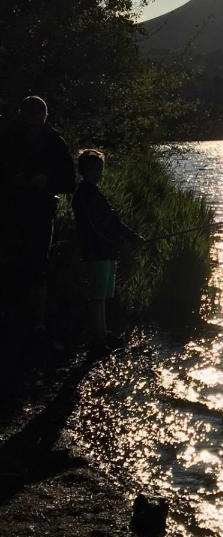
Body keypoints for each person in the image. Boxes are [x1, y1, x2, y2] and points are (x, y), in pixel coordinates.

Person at [0, 95, 76, 341]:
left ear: (44, 117)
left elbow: (69, 182)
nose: (33, 124)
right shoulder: (9, 139)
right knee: (10, 261)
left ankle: (37, 323)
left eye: (37, 118)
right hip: (11, 210)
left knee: (37, 265)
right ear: (22, 116)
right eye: (29, 118)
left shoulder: (55, 143)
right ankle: (13, 316)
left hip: (41, 212)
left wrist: (46, 181)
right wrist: (13, 179)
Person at [71, 149, 143, 352]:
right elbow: (95, 227)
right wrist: (117, 241)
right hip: (96, 252)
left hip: (105, 252)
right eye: (94, 169)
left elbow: (113, 221)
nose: (98, 173)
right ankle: (97, 339)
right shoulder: (84, 195)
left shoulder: (94, 193)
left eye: (100, 169)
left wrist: (131, 236)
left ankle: (102, 333)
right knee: (97, 297)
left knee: (102, 295)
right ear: (84, 170)